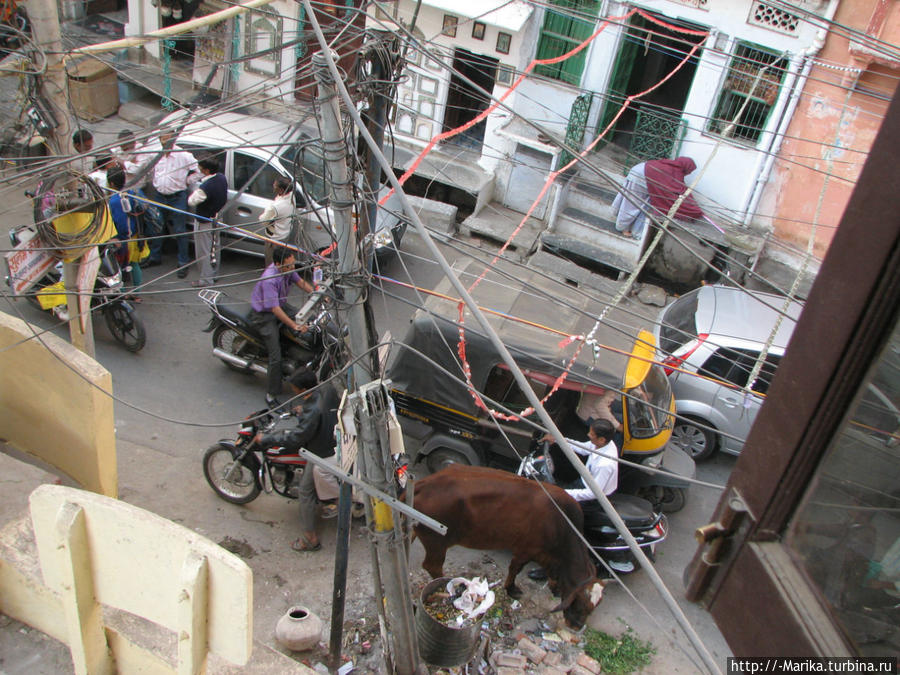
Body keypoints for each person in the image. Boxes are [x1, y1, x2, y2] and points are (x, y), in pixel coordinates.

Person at [256, 370, 340, 552]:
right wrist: (303, 409)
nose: (293, 391)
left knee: (305, 491)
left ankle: (310, 539)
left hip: (321, 451)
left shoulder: (313, 412)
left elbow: (296, 437)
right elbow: (317, 409)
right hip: (333, 437)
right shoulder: (325, 389)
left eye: (294, 388)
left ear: (302, 388)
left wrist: (267, 439)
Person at [528, 419, 622, 580]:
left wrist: (564, 494)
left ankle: (552, 567)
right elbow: (584, 448)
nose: (588, 435)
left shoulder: (606, 464)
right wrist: (557, 439)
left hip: (592, 499)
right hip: (584, 483)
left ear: (602, 439)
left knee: (560, 528)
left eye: (592, 434)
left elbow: (593, 493)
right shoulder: (602, 445)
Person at [249, 247, 315, 408]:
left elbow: (300, 282)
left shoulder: (288, 269)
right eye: (288, 265)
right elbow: (275, 310)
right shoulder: (270, 279)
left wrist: (317, 294)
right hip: (265, 316)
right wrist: (294, 325)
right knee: (275, 356)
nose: (292, 268)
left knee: (309, 318)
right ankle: (271, 393)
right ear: (278, 264)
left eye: (293, 264)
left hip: (281, 305)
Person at [611, 156, 705, 240]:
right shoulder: (675, 171)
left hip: (639, 170)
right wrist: (694, 209)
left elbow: (680, 188)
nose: (689, 173)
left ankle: (622, 221)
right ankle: (622, 227)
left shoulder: (671, 165)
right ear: (686, 167)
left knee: (634, 200)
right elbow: (681, 191)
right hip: (641, 178)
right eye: (690, 171)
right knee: (632, 203)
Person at [151, 131, 199, 276]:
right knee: (157, 226)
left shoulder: (184, 156)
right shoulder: (157, 155)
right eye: (163, 139)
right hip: (160, 195)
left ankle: (183, 262)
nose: (165, 142)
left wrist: (187, 181)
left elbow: (199, 171)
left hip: (177, 196)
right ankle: (155, 256)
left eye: (168, 139)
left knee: (180, 230)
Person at [106, 166, 147, 297]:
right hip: (136, 235)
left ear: (111, 183)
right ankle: (137, 293)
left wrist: (119, 239)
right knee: (135, 264)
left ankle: (122, 294)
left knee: (120, 267)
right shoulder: (133, 191)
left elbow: (121, 222)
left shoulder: (115, 200)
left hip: (123, 239)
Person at [188, 157, 228, 287]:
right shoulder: (222, 178)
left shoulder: (205, 187)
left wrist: (196, 190)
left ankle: (206, 279)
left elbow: (192, 201)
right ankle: (214, 273)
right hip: (217, 218)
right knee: (215, 247)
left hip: (205, 220)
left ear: (206, 170)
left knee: (203, 251)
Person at [261, 176, 295, 266]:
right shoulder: (291, 197)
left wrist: (269, 207)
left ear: (281, 190)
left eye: (275, 186)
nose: (273, 186)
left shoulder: (276, 207)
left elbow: (263, 220)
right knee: (282, 262)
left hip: (274, 239)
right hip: (285, 235)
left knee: (271, 265)